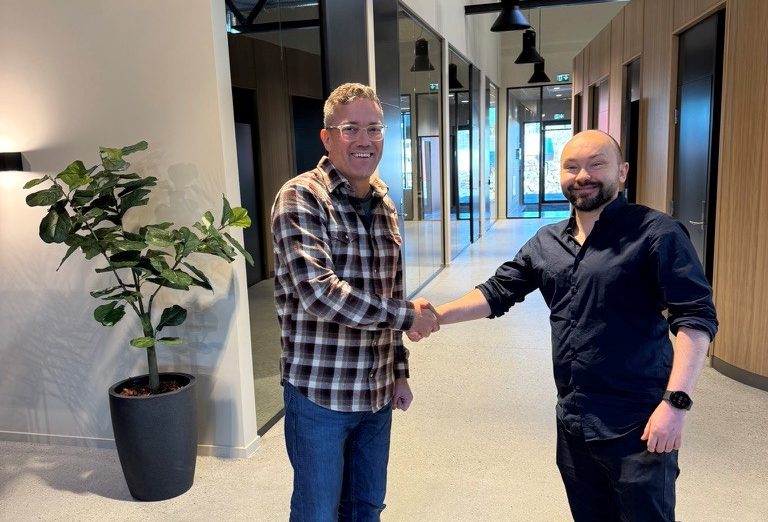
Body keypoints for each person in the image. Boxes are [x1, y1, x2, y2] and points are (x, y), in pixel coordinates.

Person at [422, 130, 718, 521]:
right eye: (571, 167)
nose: (583, 176)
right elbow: (497, 291)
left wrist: (675, 404)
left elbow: (695, 318)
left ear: (622, 172)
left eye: (596, 164)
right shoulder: (547, 242)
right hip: (574, 422)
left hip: (639, 424)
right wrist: (436, 316)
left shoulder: (656, 233)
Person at [271, 82, 438, 521]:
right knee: (317, 512)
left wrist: (399, 372)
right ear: (327, 137)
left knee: (367, 507)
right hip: (321, 394)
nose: (364, 140)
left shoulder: (385, 203)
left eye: (374, 128)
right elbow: (319, 293)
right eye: (351, 129)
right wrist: (408, 317)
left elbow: (389, 293)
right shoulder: (301, 197)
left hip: (376, 392)